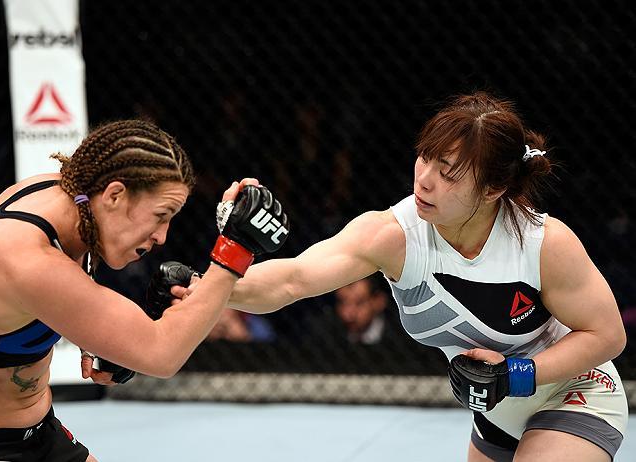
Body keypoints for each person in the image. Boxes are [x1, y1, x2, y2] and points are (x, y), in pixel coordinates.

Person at [176, 92, 628, 461]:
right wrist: (202, 286)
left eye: (447, 173)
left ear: (493, 189)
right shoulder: (392, 235)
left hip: (573, 390)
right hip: (496, 410)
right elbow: (291, 280)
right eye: (424, 159)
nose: (425, 181)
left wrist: (516, 373)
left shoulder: (543, 243)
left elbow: (608, 335)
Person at [0, 119, 289, 461]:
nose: (162, 236)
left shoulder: (73, 201)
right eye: (160, 215)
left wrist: (97, 336)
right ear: (115, 195)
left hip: (38, 435)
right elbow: (161, 355)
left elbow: (41, 301)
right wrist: (235, 250)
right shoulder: (24, 256)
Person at [332, 275, 389, 345]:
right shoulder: (328, 334)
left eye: (359, 303)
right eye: (342, 302)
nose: (348, 315)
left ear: (379, 302)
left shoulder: (400, 333)